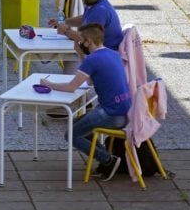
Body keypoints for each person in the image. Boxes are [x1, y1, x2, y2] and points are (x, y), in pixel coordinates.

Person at [40, 23, 131, 181]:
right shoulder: (111, 53)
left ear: (88, 41)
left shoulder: (94, 59)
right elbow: (89, 80)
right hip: (124, 111)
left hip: (111, 113)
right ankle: (106, 159)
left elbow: (71, 87)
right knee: (77, 124)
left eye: (81, 40)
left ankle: (108, 160)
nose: (79, 42)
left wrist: (49, 85)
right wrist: (80, 53)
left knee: (71, 134)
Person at [48, 0, 123, 51]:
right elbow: (84, 17)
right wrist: (63, 22)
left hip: (107, 54)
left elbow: (86, 40)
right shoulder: (94, 2)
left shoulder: (100, 10)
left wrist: (66, 31)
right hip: (100, 50)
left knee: (70, 60)